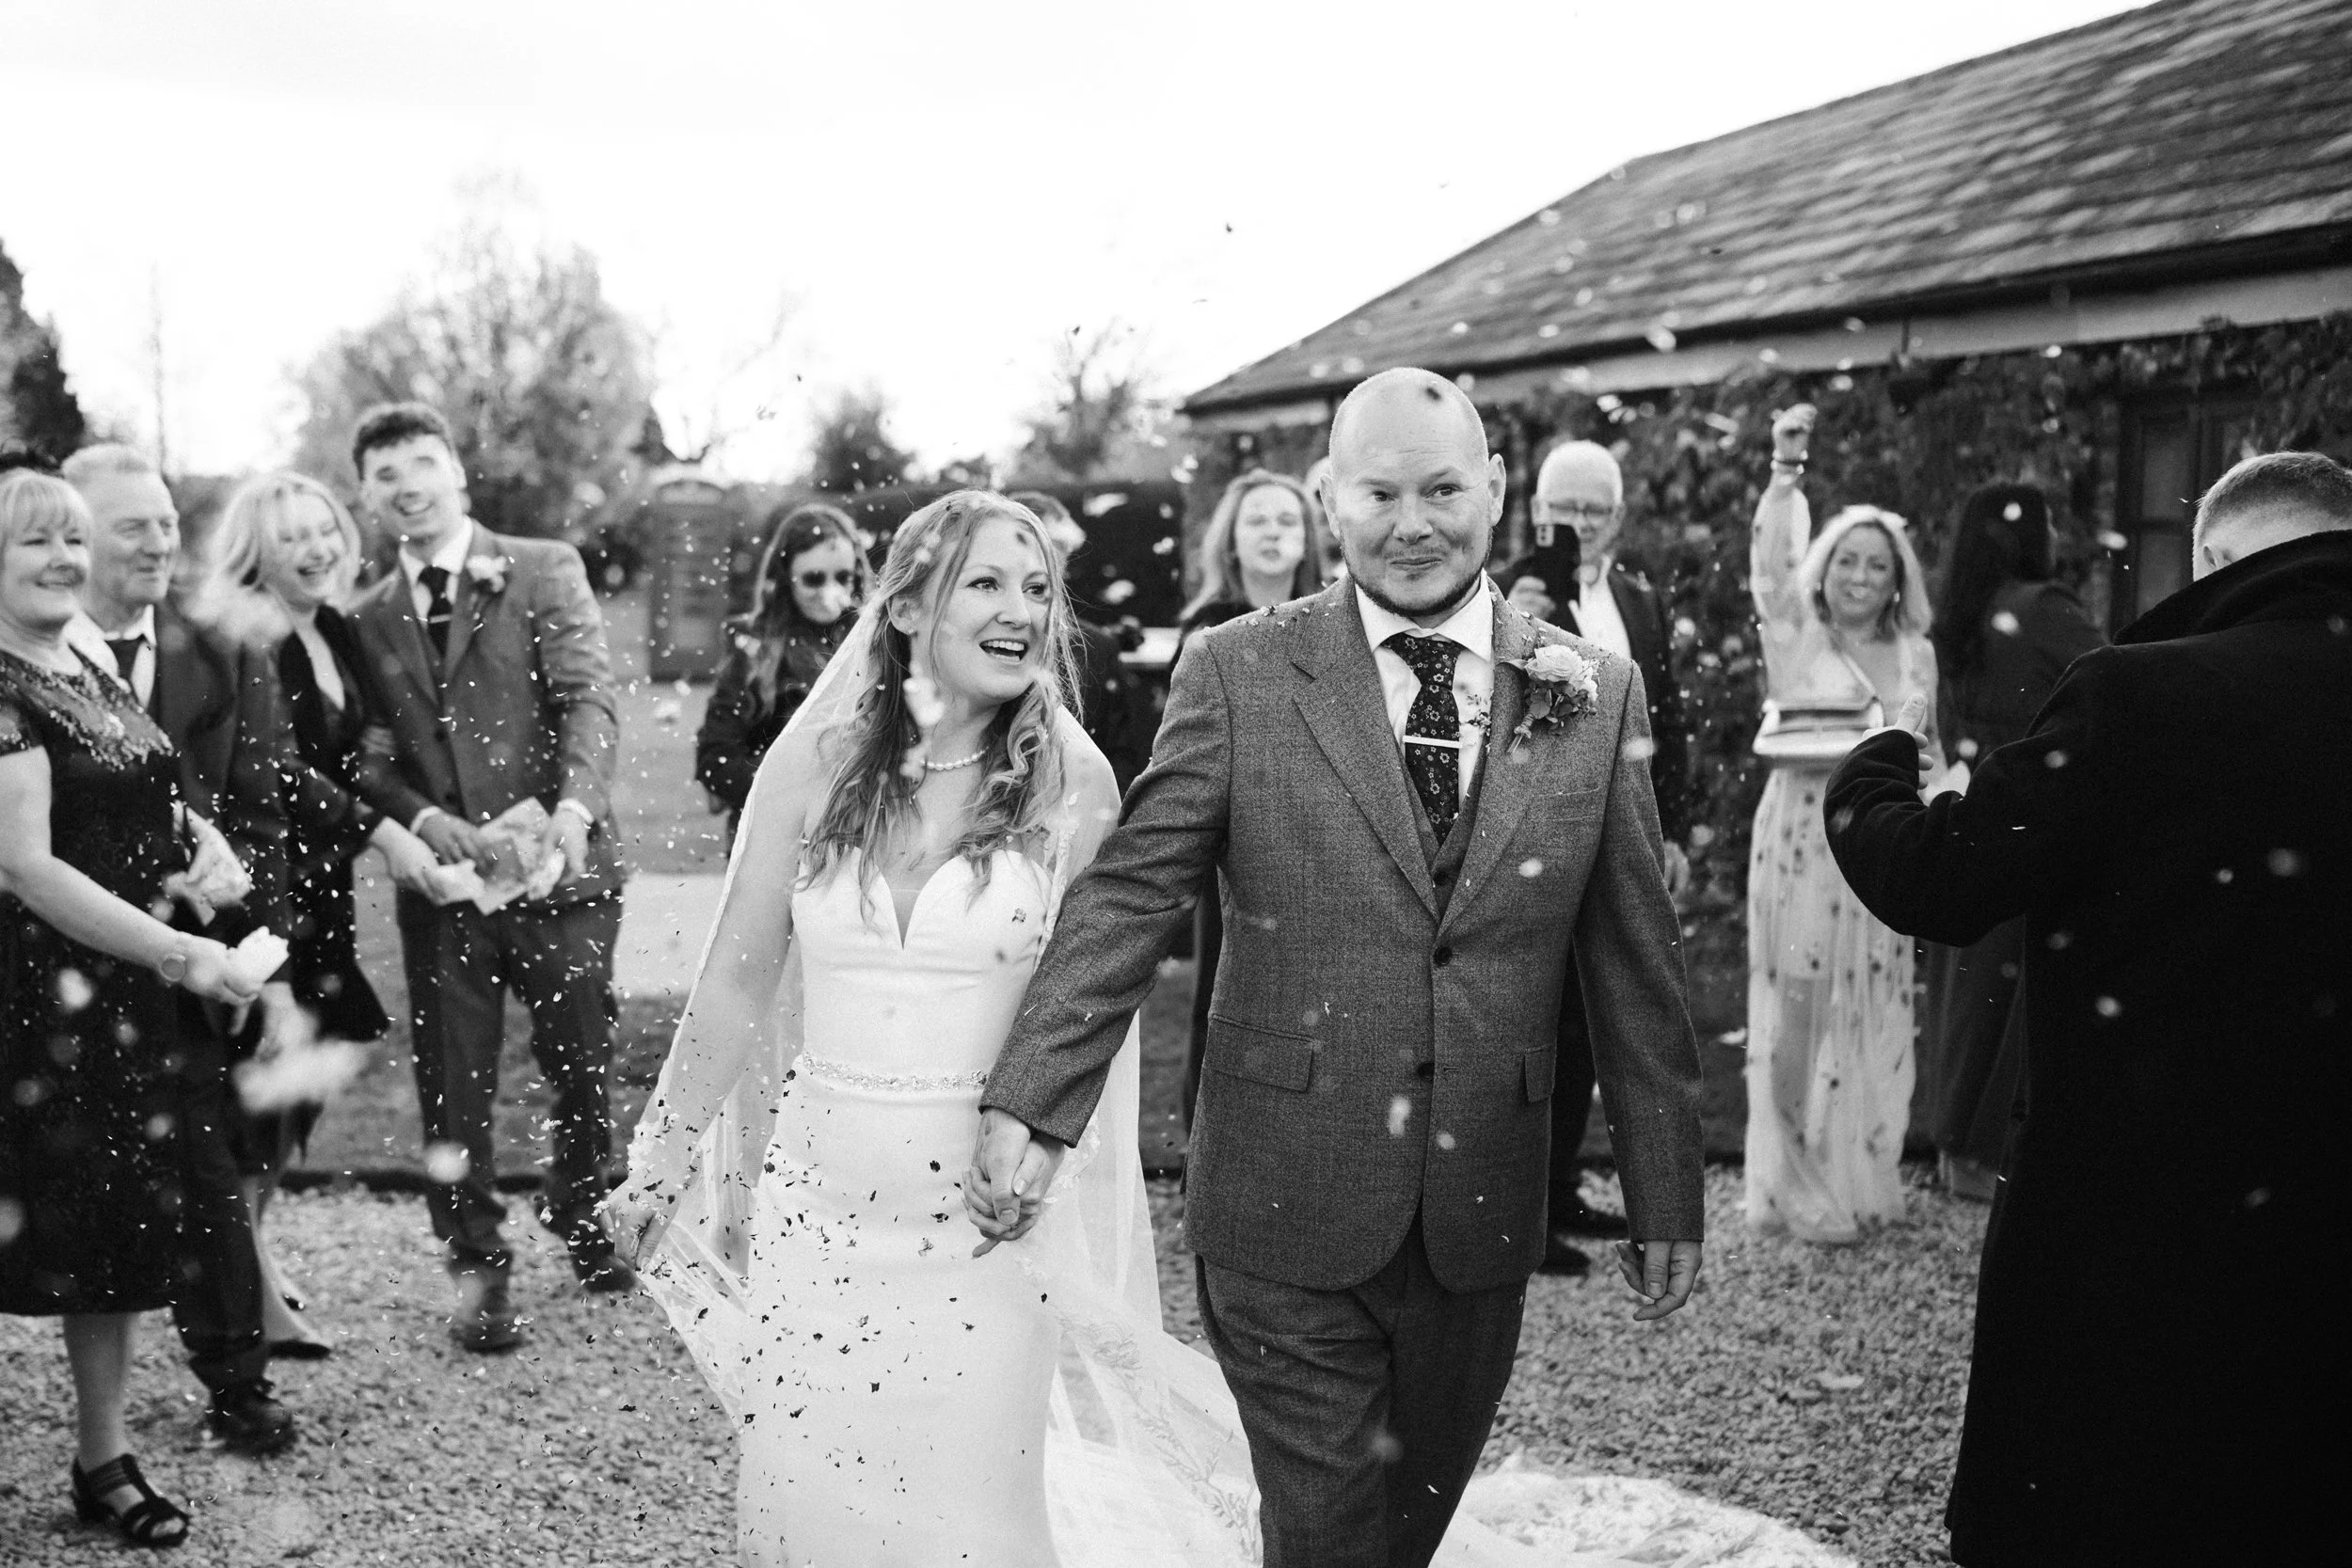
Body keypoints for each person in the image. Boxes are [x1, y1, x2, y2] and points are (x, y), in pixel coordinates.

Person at [975, 369, 1708, 1566]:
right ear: (1329, 497)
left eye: (1440, 488)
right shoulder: (1238, 670)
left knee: (1401, 1532)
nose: (1410, 521)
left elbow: (1632, 960)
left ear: (1497, 490)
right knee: (1323, 1532)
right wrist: (1034, 1098)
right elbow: (1131, 893)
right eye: (1378, 491)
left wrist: (1664, 1183)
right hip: (1282, 1191)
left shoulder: (1591, 687)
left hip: (1481, 1201)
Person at [1823, 451, 2352, 1565]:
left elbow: (1937, 877)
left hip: (2140, 1214)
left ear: (2213, 555)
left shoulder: (2143, 693)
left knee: (2110, 1500)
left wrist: (1874, 764)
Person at [0, 465, 264, 1549]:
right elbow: (24, 864)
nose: (64, 558)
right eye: (35, 544)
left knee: (103, 1238)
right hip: (26, 1001)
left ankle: (102, 1459)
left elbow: (135, 787)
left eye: (72, 539)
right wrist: (180, 953)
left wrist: (192, 850)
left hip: (114, 1005)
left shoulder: (90, 657)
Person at [342, 401, 632, 1353]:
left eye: (422, 462)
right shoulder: (367, 615)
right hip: (448, 890)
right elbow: (369, 755)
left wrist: (573, 812)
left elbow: (588, 697)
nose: (408, 485)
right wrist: (425, 821)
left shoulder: (543, 567)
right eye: (386, 474)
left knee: (584, 1062)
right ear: (368, 495)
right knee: (453, 1088)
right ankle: (478, 1264)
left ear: (457, 472)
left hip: (561, 872)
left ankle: (582, 1206)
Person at [62, 443, 300, 1452]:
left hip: (201, 966)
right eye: (133, 525)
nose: (161, 540)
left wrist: (261, 952)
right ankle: (97, 1427)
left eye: (167, 520)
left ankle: (236, 1381)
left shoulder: (221, 647)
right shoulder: (27, 651)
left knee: (205, 1168)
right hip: (63, 964)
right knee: (66, 1176)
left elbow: (265, 807)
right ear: (74, 538)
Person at [185, 471, 444, 1355]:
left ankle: (247, 1253)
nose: (318, 549)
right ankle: (244, 1278)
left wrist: (415, 823)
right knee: (262, 1085)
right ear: (256, 548)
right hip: (259, 888)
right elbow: (277, 774)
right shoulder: (240, 634)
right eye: (292, 536)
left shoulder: (331, 625)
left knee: (306, 1072)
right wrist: (379, 831)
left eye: (326, 530)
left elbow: (360, 751)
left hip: (319, 891)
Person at [1740, 404, 1940, 1244]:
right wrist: (1787, 474)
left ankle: (1858, 1169)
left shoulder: (1917, 653)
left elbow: (1922, 747)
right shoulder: (1795, 633)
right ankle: (1793, 1178)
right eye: (1846, 560)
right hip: (1800, 840)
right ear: (1824, 571)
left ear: (1898, 578)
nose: (1860, 574)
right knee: (1800, 1005)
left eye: (1877, 563)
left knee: (1875, 1003)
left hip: (1879, 839)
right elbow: (1770, 566)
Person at [1504, 440, 1694, 1272]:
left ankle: (1563, 1181)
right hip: (1542, 834)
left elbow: (1667, 723)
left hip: (1622, 831)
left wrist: (1674, 831)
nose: (1573, 525)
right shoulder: (1506, 595)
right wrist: (1513, 617)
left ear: (1615, 516)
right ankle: (1522, 1211)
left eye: (1589, 510)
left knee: (1597, 1016)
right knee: (1534, 1022)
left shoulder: (1638, 599)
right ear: (1536, 513)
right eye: (1559, 509)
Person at [1917, 483, 2103, 1201]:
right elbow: (2113, 682)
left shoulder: (1959, 620)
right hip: (2038, 802)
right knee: (2020, 983)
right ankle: (1995, 1155)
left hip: (1976, 802)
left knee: (1969, 981)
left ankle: (1956, 1146)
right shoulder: (2042, 609)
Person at [1176, 467, 1328, 1131]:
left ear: (1308, 540)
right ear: (1230, 541)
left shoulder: (1337, 620)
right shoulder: (1207, 629)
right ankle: (1207, 1139)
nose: (1273, 532)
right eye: (1257, 520)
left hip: (1325, 831)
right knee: (1223, 982)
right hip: (1237, 834)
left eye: (1286, 520)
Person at [694, 499, 868, 841]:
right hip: (772, 836)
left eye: (843, 577)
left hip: (854, 837)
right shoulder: (753, 650)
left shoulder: (874, 643)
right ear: (786, 581)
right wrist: (790, 802)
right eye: (813, 579)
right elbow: (715, 758)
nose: (828, 592)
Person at [1010, 490, 1154, 793]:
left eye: (1058, 546)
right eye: (1029, 543)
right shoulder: (971, 639)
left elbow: (1123, 760)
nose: (1046, 558)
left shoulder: (1096, 648)